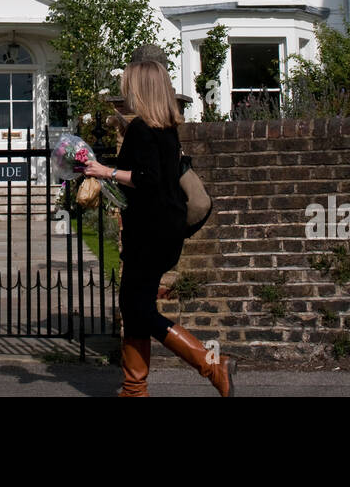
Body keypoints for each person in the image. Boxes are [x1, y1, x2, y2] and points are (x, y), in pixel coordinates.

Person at [83, 58, 236, 397]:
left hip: (150, 234)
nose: (125, 90)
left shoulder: (142, 129)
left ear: (140, 88)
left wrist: (102, 171)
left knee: (138, 308)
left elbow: (146, 180)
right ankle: (134, 390)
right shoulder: (166, 129)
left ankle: (212, 365)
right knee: (134, 306)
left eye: (129, 84)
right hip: (164, 231)